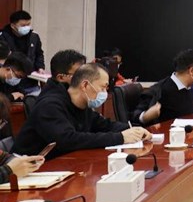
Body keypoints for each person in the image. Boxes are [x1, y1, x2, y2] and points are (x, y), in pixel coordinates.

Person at [12, 63, 151, 159]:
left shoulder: (83, 105)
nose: (104, 92)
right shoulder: (50, 105)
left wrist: (134, 130)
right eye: (103, 87)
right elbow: (67, 140)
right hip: (31, 171)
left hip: (62, 165)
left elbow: (105, 125)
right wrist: (120, 137)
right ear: (85, 85)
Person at [134, 49, 193, 125]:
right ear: (192, 70)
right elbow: (136, 117)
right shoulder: (160, 90)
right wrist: (146, 116)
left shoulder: (189, 89)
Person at [0, 10, 45, 92]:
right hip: (10, 80)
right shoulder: (2, 37)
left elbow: (39, 53)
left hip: (30, 81)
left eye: (28, 24)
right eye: (23, 25)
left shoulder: (34, 36)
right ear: (13, 25)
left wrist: (40, 67)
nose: (27, 27)